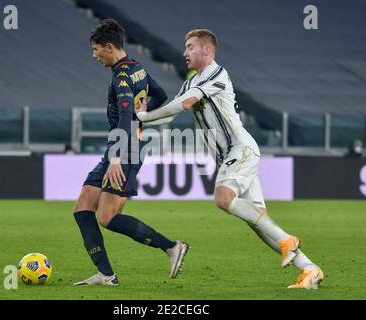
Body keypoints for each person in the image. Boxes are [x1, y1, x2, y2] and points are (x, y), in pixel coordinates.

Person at [136, 29, 324, 289]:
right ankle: (310, 269)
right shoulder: (191, 81)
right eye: (185, 47)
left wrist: (145, 118)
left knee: (223, 199)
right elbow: (171, 114)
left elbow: (187, 104)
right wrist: (143, 117)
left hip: (240, 149)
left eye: (190, 47)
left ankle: (288, 241)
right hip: (229, 156)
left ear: (207, 50)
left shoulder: (217, 74)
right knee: (260, 223)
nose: (184, 53)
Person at [73, 18, 189, 286]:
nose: (94, 55)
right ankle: (106, 274)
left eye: (95, 49)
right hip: (122, 148)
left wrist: (116, 157)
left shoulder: (122, 77)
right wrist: (144, 114)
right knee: (82, 209)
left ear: (109, 47)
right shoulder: (137, 68)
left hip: (124, 151)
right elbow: (160, 95)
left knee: (107, 217)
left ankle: (172, 247)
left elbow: (125, 116)